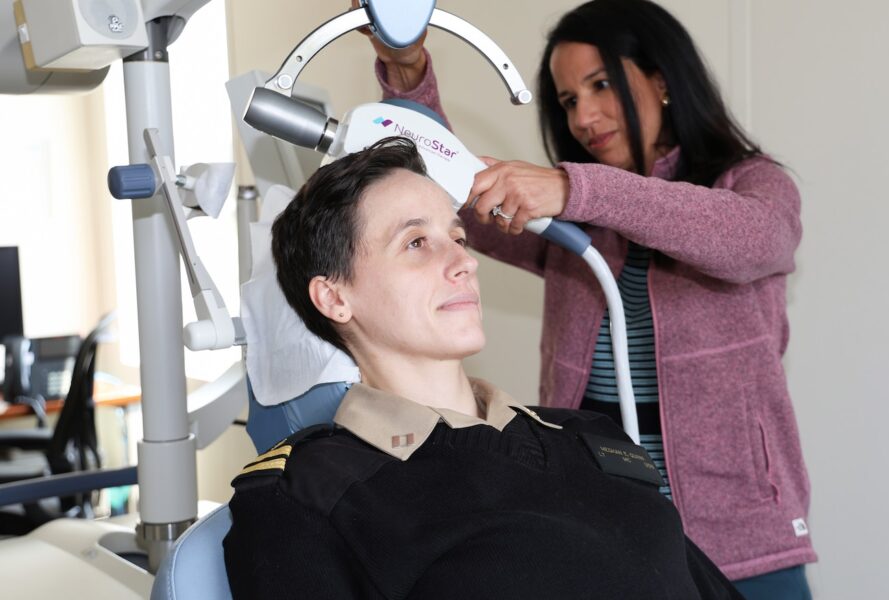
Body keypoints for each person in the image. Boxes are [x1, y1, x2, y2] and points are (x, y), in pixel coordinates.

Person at [358, 1, 816, 598]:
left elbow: (754, 240)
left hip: (743, 539)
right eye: (570, 99)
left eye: (601, 85)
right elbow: (451, 181)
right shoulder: (572, 228)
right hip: (602, 525)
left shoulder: (751, 184)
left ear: (661, 79)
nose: (585, 116)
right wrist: (407, 65)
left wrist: (578, 189)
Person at [222, 137, 743, 599]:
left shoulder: (584, 435)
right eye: (416, 243)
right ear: (334, 297)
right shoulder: (305, 493)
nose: (465, 261)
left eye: (459, 238)